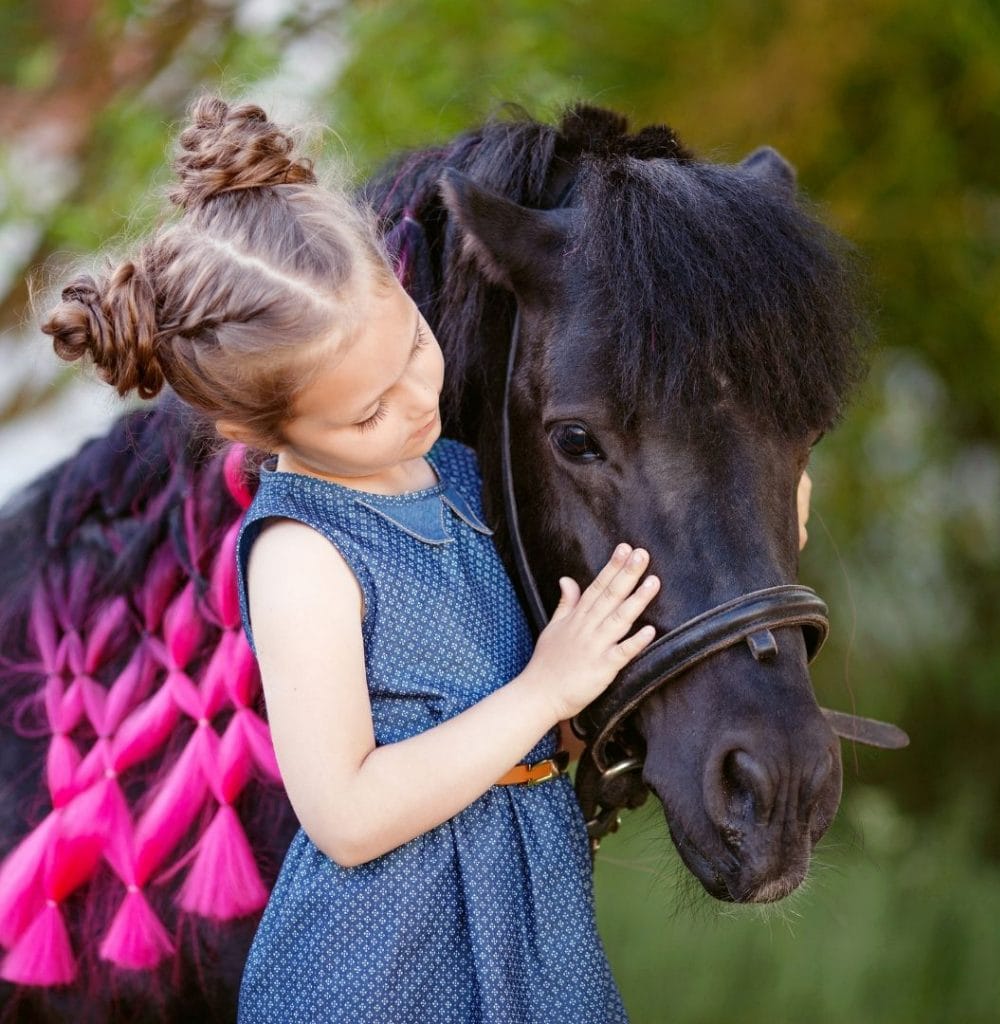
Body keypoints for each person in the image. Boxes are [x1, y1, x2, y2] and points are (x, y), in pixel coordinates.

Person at [42, 97, 816, 1023]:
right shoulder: (305, 558)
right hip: (385, 975)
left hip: (520, 940)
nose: (414, 401)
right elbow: (348, 815)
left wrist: (759, 495)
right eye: (366, 412)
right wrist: (544, 695)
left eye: (414, 344)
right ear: (252, 432)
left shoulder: (455, 478)